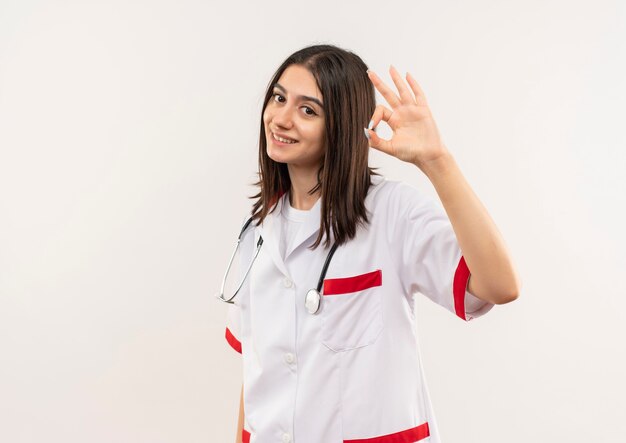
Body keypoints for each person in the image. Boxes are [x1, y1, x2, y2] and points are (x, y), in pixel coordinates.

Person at [222, 44, 521, 443]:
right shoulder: (258, 231)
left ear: (341, 126)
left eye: (307, 110)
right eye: (279, 98)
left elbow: (500, 286)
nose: (281, 119)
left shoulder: (391, 213)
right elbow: (257, 372)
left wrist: (437, 160)